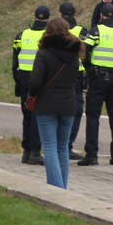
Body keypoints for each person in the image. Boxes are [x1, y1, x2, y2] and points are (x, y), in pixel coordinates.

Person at [78, 2, 113, 166]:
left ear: (101, 15)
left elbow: (84, 50)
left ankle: (91, 155)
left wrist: (89, 69)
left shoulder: (97, 30)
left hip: (99, 78)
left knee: (93, 116)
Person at [28, 18, 80, 188]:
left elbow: (35, 82)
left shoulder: (43, 53)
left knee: (49, 147)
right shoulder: (74, 53)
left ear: (47, 32)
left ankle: (56, 189)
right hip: (68, 104)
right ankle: (62, 187)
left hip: (47, 104)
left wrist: (32, 94)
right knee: (62, 148)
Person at [13, 6, 50, 164]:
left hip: (24, 78)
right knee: (37, 115)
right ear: (48, 18)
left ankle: (26, 151)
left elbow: (15, 60)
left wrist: (18, 79)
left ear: (34, 16)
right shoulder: (49, 36)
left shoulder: (22, 35)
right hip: (40, 80)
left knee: (27, 114)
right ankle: (35, 151)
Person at [58, 1, 87, 160]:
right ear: (75, 13)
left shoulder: (56, 30)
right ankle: (67, 145)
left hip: (58, 75)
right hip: (77, 75)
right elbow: (88, 52)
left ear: (60, 13)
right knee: (76, 111)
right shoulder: (82, 31)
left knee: (57, 109)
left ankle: (56, 144)